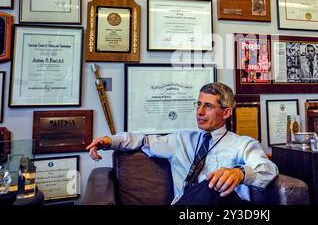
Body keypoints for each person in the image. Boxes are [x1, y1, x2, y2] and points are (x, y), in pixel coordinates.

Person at [86, 82, 278, 205]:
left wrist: (239, 172)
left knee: (212, 185)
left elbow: (267, 170)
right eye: (199, 104)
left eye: (208, 106)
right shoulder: (181, 139)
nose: (200, 112)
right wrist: (109, 141)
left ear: (226, 113)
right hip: (185, 205)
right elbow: (143, 140)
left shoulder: (242, 144)